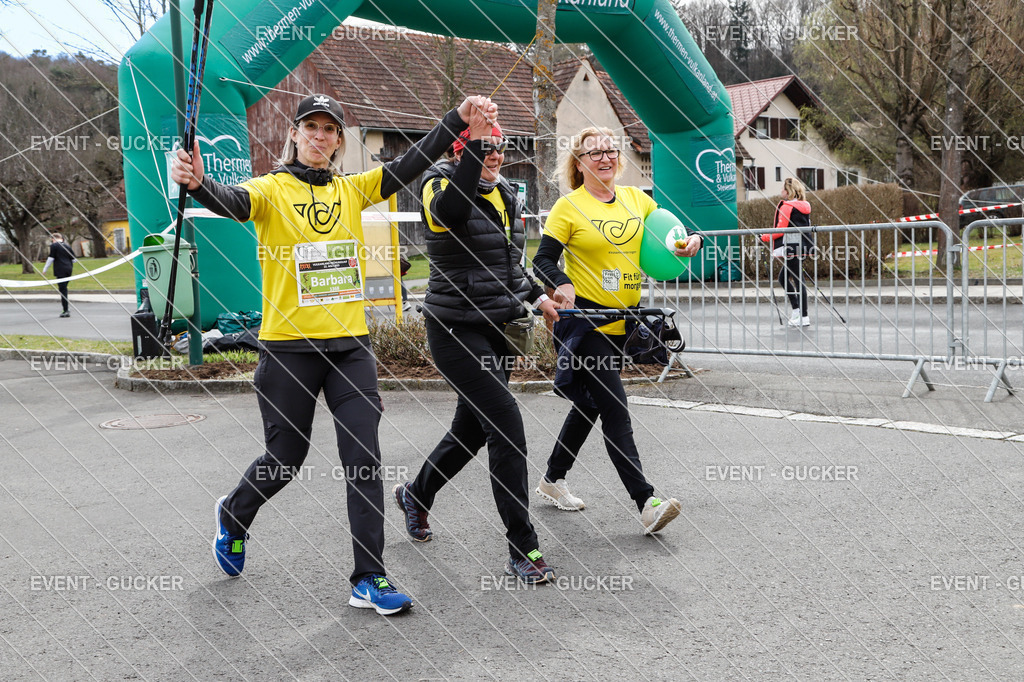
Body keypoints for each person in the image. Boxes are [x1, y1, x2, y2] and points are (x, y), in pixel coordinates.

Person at [170, 93, 496, 616]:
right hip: (288, 350)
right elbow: (230, 202)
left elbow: (412, 161)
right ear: (294, 134)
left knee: (364, 459)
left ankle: (368, 576)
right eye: (311, 127)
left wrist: (459, 118)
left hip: (351, 349)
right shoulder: (270, 190)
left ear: (339, 140)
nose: (320, 136)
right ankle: (234, 515)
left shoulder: (353, 189)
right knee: (286, 459)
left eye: (329, 129)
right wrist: (198, 183)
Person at [392, 114, 562, 583]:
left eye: (499, 147)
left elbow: (511, 264)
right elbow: (450, 216)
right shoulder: (435, 183)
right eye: (483, 146)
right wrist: (469, 150)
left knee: (470, 431)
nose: (495, 154)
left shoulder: (506, 193)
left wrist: (540, 297)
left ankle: (415, 495)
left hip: (499, 328)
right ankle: (522, 548)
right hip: (453, 329)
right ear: (458, 149)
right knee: (506, 424)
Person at [532, 126, 701, 534]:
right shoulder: (568, 207)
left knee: (589, 404)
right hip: (583, 323)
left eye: (610, 151)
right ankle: (646, 502)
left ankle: (552, 479)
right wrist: (562, 282)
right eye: (594, 153)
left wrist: (691, 241)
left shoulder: (636, 199)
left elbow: (672, 236)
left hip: (624, 321)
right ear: (579, 162)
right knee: (614, 406)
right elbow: (541, 261)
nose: (605, 158)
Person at [761, 177, 812, 327]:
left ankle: (802, 315)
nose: (781, 192)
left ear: (788, 191)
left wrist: (763, 237)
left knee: (797, 281)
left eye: (783, 189)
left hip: (791, 246)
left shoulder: (787, 206)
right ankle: (798, 311)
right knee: (785, 278)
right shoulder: (805, 205)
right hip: (802, 246)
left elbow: (780, 230)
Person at [42, 233, 75, 318]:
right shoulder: (67, 246)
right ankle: (66, 307)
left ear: (53, 239)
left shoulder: (54, 246)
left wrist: (45, 269)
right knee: (64, 288)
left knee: (63, 290)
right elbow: (74, 260)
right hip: (69, 270)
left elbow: (51, 258)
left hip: (60, 270)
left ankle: (66, 310)